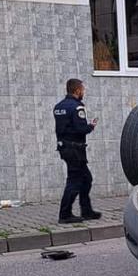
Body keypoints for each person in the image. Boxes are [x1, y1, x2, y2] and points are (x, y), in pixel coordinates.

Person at [54, 78, 101, 223]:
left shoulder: (58, 107)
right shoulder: (77, 107)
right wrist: (91, 126)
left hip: (65, 147)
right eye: (83, 90)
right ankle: (65, 214)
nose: (83, 92)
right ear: (77, 90)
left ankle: (86, 211)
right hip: (75, 149)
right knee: (74, 181)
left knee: (86, 179)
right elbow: (81, 129)